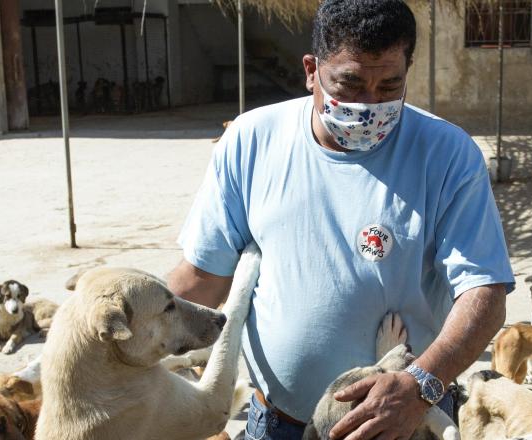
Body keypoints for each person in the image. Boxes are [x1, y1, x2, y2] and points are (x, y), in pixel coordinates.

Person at [169, 1, 514, 439]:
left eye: (390, 85)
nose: (370, 104)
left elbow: (484, 292)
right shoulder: (251, 141)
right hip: (278, 424)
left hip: (403, 421)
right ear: (312, 70)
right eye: (350, 84)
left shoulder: (446, 154)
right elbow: (203, 278)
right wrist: (118, 320)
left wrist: (420, 384)